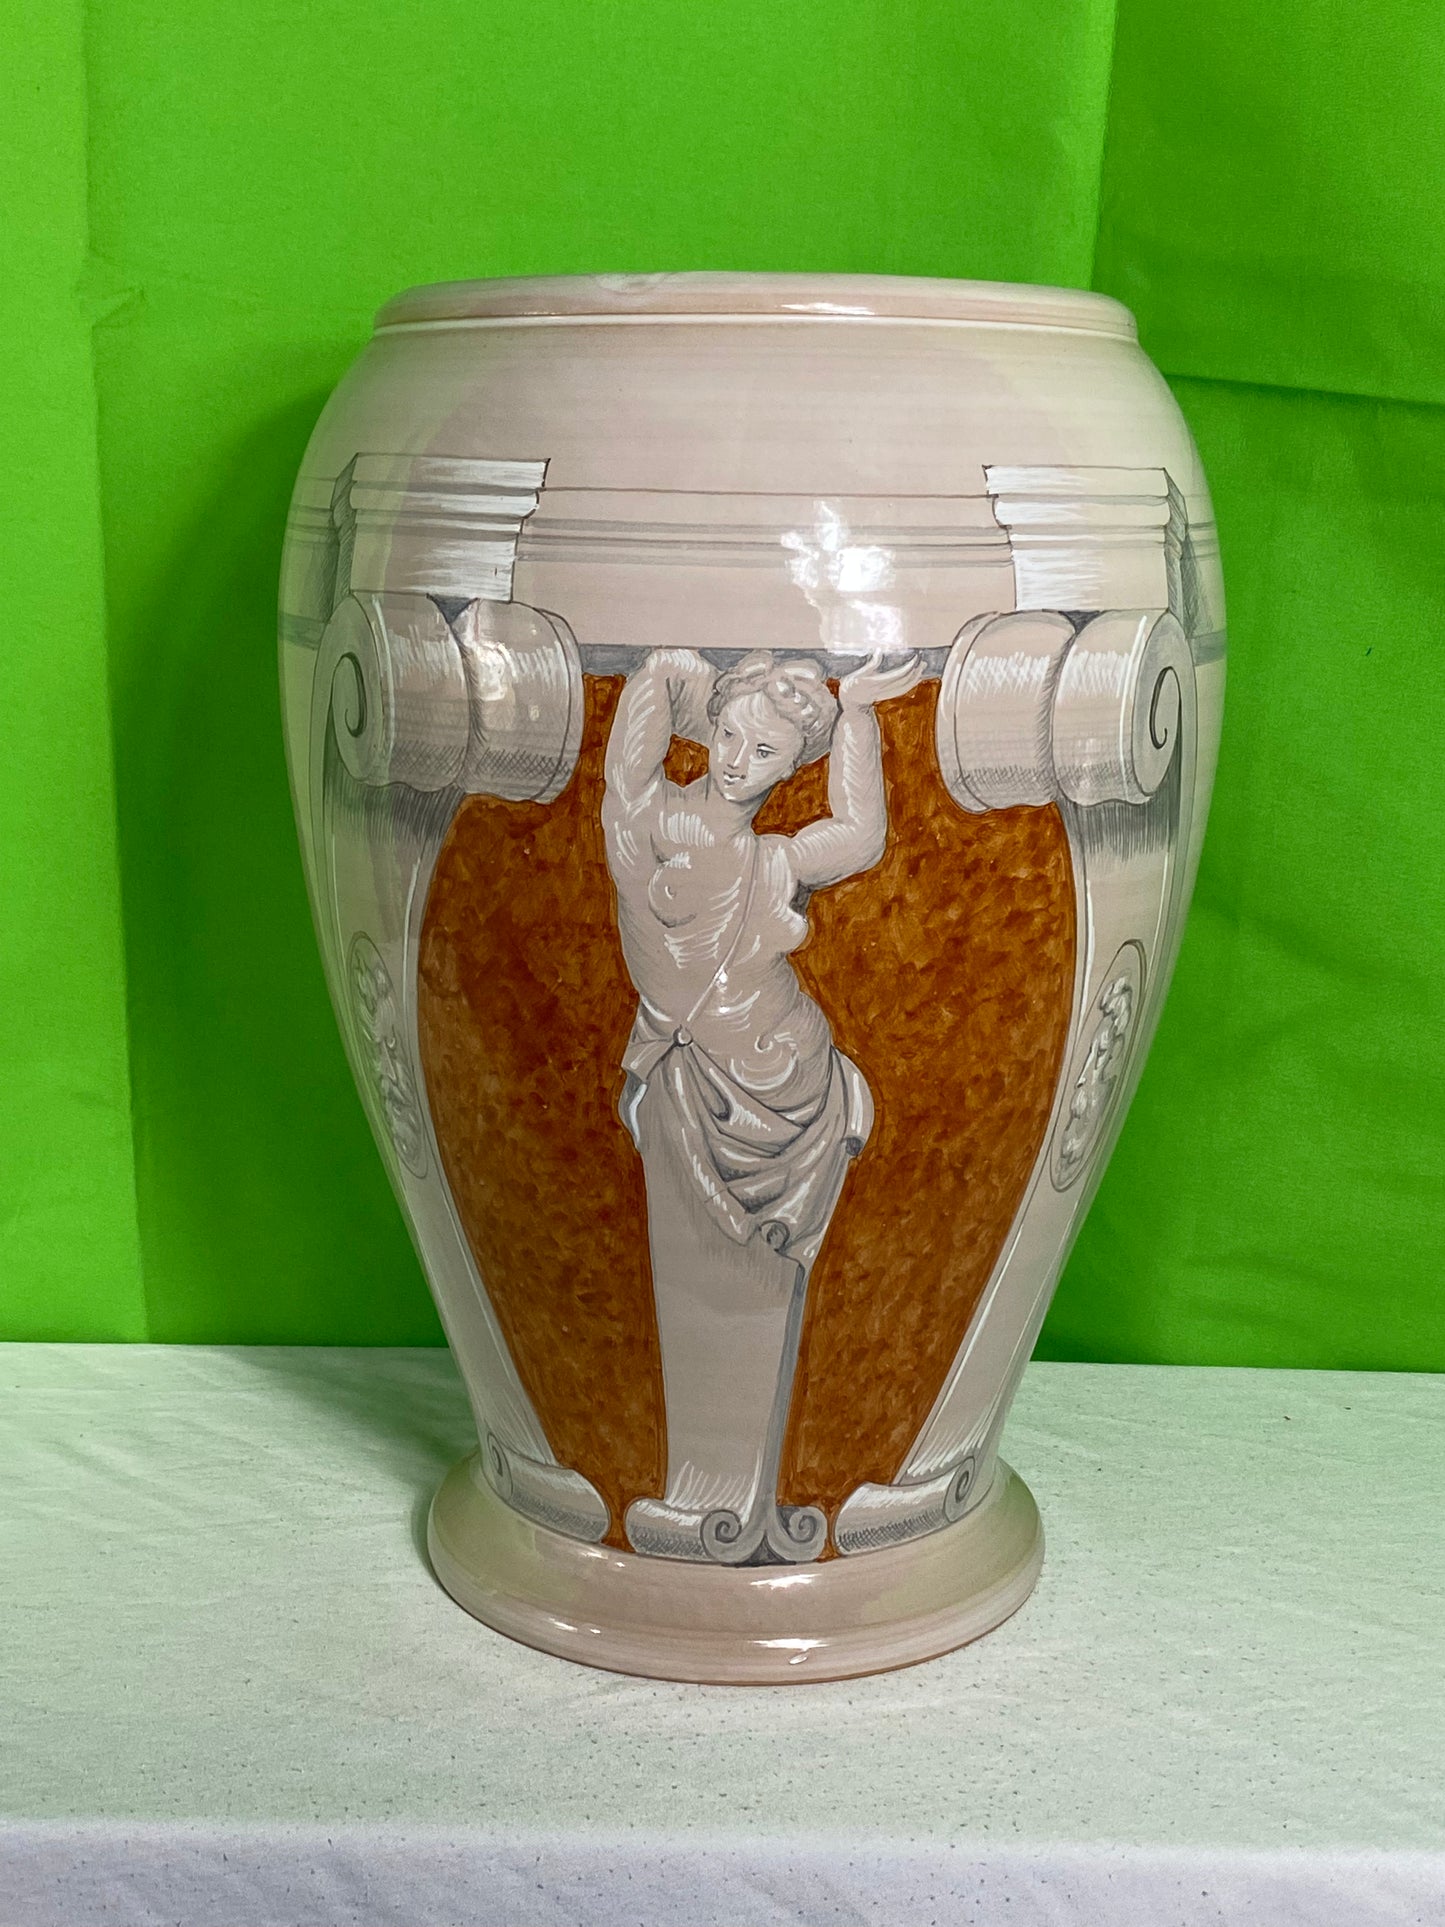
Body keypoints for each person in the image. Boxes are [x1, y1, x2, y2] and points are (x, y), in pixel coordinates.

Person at [602, 644, 922, 1563]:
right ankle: (708, 1490)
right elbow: (637, 731)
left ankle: (742, 1491)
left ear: (789, 770)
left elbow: (859, 834)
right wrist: (680, 674)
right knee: (698, 1272)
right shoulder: (645, 817)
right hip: (688, 1077)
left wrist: (855, 715)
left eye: (767, 752)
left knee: (768, 1278)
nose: (740, 761)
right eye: (731, 737)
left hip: (788, 1079)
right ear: (708, 732)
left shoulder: (774, 860)